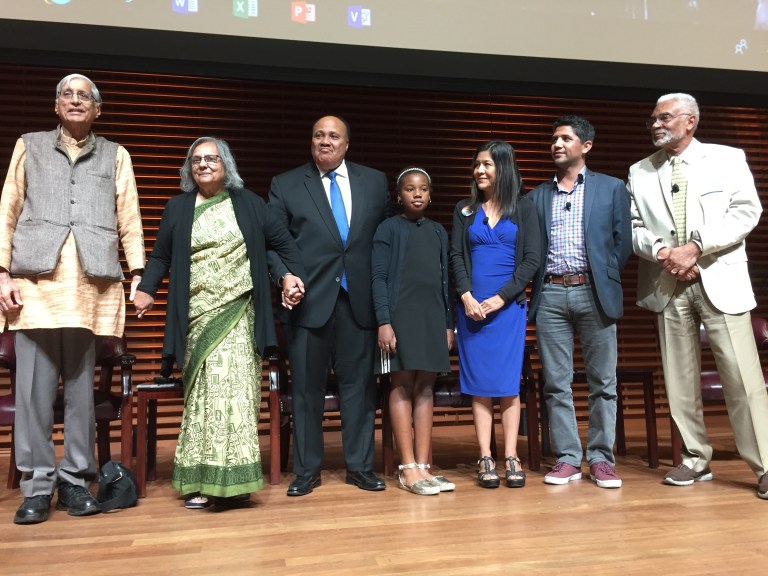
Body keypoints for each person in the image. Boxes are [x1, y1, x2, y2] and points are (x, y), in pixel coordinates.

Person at [0, 73, 145, 525]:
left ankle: (76, 481)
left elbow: (129, 214)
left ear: (98, 109)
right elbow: (8, 206)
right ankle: (38, 485)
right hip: (35, 287)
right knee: (33, 394)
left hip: (90, 285)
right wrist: (2, 272)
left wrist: (139, 273)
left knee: (81, 392)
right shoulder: (30, 144)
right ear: (56, 105)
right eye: (68, 94)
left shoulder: (116, 154)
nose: (76, 100)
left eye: (85, 96)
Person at [133, 137, 305, 509]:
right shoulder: (178, 208)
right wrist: (146, 289)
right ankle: (199, 479)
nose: (204, 165)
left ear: (226, 165)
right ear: (188, 168)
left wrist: (290, 277)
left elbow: (282, 244)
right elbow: (161, 255)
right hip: (195, 317)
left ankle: (236, 483)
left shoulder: (250, 205)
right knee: (204, 398)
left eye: (212, 159)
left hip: (239, 313)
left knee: (237, 397)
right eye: (197, 160)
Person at [628, 92, 768, 498]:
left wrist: (696, 247)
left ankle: (763, 464)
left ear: (690, 121)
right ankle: (694, 459)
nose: (655, 124)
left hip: (717, 278)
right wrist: (662, 253)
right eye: (653, 118)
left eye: (665, 117)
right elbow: (636, 225)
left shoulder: (727, 158)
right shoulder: (640, 170)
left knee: (743, 379)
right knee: (679, 378)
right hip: (668, 281)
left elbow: (746, 211)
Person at [267, 115, 391, 496]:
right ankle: (307, 472)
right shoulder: (286, 184)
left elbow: (383, 241)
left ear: (346, 144)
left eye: (333, 136)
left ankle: (360, 468)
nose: (325, 141)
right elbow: (273, 243)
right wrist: (284, 277)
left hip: (360, 303)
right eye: (318, 135)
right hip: (309, 303)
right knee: (306, 390)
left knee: (360, 390)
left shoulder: (374, 181)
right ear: (311, 142)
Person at [528, 115, 632, 489]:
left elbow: (623, 244)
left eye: (565, 139)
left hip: (594, 292)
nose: (557, 144)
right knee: (556, 382)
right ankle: (569, 458)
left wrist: (602, 277)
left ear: (585, 146)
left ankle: (602, 458)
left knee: (604, 381)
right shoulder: (537, 195)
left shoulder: (611, 188)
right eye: (554, 139)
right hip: (552, 293)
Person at [450, 140, 541, 489]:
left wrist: (502, 298)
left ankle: (511, 456)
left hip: (508, 310)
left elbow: (532, 259)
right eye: (476, 165)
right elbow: (456, 257)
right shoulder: (465, 210)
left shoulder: (524, 207)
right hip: (471, 310)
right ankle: (485, 455)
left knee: (506, 384)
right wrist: (466, 296)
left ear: (504, 167)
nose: (480, 171)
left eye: (487, 164)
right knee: (480, 386)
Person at [372, 167, 454, 496]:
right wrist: (383, 321)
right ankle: (407, 468)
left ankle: (424, 466)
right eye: (409, 189)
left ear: (430, 195)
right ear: (399, 196)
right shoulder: (388, 228)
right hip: (399, 317)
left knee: (426, 388)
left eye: (422, 189)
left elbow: (446, 281)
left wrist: (449, 324)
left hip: (432, 317)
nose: (417, 193)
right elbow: (377, 277)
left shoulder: (437, 231)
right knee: (402, 383)